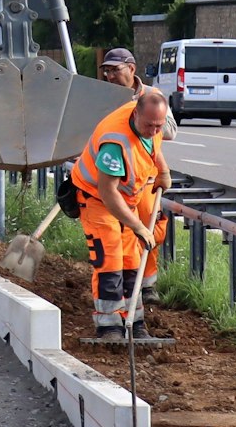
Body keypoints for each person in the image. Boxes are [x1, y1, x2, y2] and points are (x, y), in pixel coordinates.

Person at [69, 87, 170, 341]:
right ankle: (109, 326)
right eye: (149, 125)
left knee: (131, 260)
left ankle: (134, 323)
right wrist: (138, 226)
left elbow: (154, 146)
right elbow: (108, 192)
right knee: (110, 258)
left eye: (158, 126)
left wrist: (163, 172)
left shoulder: (152, 123)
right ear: (136, 114)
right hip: (97, 199)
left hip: (125, 200)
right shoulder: (115, 143)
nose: (154, 131)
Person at [100, 46, 174, 302]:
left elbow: (170, 131)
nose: (110, 76)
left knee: (150, 230)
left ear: (131, 69)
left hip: (146, 178)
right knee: (119, 233)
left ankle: (148, 284)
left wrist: (140, 117)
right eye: (107, 71)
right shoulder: (105, 97)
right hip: (115, 178)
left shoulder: (152, 96)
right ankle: (125, 285)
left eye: (115, 70)